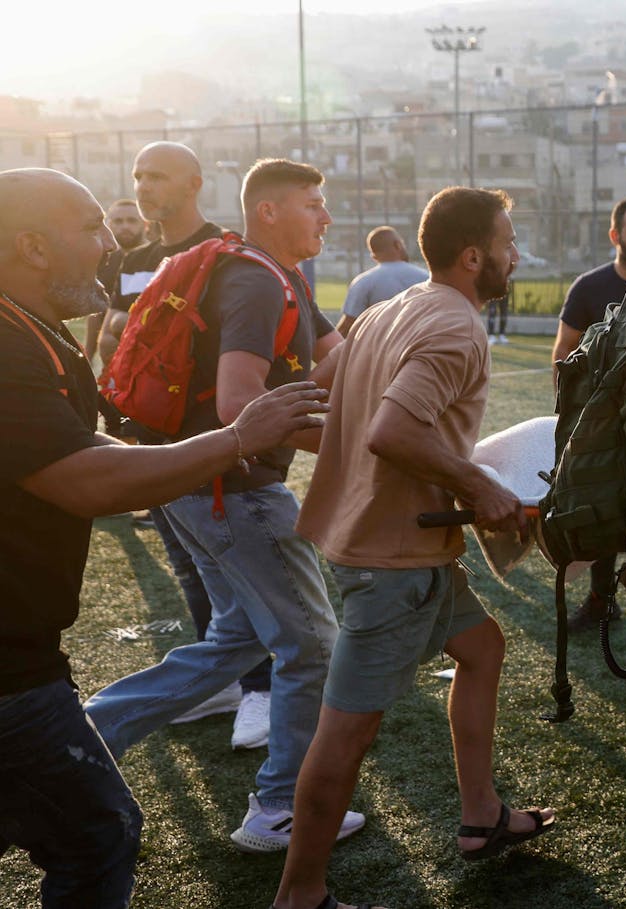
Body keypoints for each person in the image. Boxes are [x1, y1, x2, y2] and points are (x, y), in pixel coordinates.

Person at [0, 167, 327, 909]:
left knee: (236, 641)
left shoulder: (34, 331)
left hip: (24, 656)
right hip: (9, 670)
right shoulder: (6, 344)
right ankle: (279, 804)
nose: (111, 244)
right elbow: (87, 479)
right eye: (91, 227)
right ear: (33, 247)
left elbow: (97, 458)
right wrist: (236, 437)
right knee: (98, 831)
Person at [275, 186, 554, 909]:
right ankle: (299, 895)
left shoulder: (386, 310)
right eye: (507, 243)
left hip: (395, 543)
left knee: (483, 648)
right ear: (473, 256)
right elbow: (392, 431)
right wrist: (477, 483)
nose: (513, 255)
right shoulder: (456, 329)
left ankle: (481, 816)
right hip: (389, 559)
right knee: (347, 732)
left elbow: (321, 394)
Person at [83, 158, 365, 850]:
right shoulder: (256, 282)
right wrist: (355, 449)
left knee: (235, 637)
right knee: (312, 645)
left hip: (198, 490)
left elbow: (342, 354)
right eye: (313, 203)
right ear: (268, 211)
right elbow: (242, 408)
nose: (326, 217)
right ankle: (278, 807)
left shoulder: (282, 276)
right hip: (233, 491)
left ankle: (83, 730)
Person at [100, 142, 278, 747]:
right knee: (188, 564)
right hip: (151, 438)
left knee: (235, 572)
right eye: (138, 176)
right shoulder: (134, 258)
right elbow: (115, 336)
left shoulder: (223, 252)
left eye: (158, 176)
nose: (145, 187)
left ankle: (260, 688)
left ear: (195, 183)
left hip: (207, 440)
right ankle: (225, 681)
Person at [552, 195, 626, 631]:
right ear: (615, 236)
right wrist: (569, 423)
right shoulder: (589, 287)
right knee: (601, 510)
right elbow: (563, 355)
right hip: (601, 429)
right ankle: (601, 601)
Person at [333, 225, 428, 336]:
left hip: (377, 351)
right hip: (417, 348)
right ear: (398, 245)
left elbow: (347, 326)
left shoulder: (363, 282)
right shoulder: (426, 278)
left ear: (374, 256)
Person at [84, 198, 145, 370]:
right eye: (118, 221)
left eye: (132, 221)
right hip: (111, 360)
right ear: (108, 225)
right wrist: (88, 355)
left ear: (145, 224)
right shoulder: (103, 262)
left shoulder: (158, 261)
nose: (125, 226)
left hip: (146, 357)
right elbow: (95, 311)